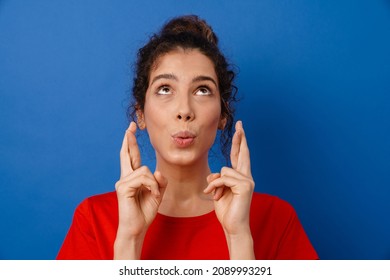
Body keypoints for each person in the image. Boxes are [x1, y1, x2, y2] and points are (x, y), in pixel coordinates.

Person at [57, 15, 318, 260]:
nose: (184, 111)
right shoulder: (94, 219)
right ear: (141, 114)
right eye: (165, 89)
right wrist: (129, 238)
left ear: (223, 114)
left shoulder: (276, 219)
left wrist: (239, 237)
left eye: (202, 90)